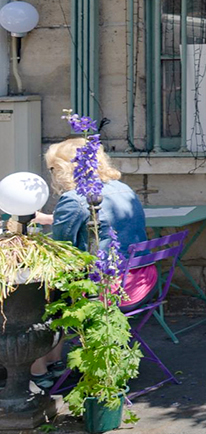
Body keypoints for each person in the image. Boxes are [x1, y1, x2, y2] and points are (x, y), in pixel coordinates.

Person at [29, 140, 156, 391]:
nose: (53, 175)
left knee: (36, 298)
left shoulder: (74, 198)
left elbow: (61, 249)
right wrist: (53, 218)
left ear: (65, 168)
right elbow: (102, 219)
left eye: (53, 169)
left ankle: (39, 371)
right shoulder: (123, 189)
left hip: (108, 288)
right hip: (141, 280)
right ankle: (54, 364)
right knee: (57, 294)